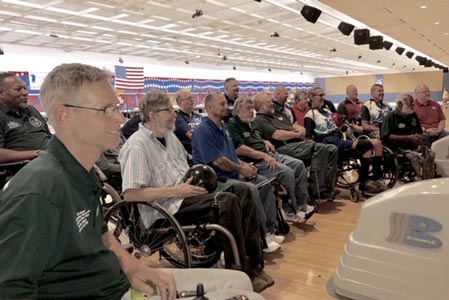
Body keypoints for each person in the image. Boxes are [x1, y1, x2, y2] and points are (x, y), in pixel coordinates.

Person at [0, 63, 264, 300]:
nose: (120, 118)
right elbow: (11, 288)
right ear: (63, 116)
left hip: (119, 282)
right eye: (107, 109)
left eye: (117, 107)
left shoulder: (83, 172)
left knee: (240, 281)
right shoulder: (37, 191)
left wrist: (131, 264)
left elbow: (102, 233)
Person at [119, 90, 272, 293]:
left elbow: (189, 164)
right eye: (169, 110)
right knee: (225, 201)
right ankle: (237, 270)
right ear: (153, 114)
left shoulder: (170, 137)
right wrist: (177, 190)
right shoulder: (137, 146)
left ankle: (254, 265)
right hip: (165, 210)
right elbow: (130, 194)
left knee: (243, 190)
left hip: (188, 196)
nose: (175, 114)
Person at [192, 93, 283, 253]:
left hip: (233, 174)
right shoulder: (203, 130)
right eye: (222, 104)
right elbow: (219, 161)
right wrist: (242, 169)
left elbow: (231, 155)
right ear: (210, 108)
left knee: (264, 183)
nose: (227, 107)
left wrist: (245, 165)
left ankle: (269, 231)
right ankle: (261, 239)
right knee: (251, 189)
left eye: (226, 104)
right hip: (217, 180)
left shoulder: (223, 128)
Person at [228, 96, 315, 223]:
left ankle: (302, 204)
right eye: (247, 108)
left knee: (298, 165)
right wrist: (264, 156)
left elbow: (254, 138)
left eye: (252, 108)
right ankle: (291, 211)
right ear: (237, 111)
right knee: (287, 173)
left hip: (270, 154)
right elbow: (239, 149)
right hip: (257, 160)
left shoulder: (252, 122)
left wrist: (265, 141)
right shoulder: (233, 125)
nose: (251, 111)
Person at [253, 92, 339, 200]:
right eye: (269, 102)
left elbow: (297, 126)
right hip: (283, 148)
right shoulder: (260, 120)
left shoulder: (278, 115)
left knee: (332, 149)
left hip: (297, 144)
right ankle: (317, 190)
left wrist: (296, 132)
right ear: (261, 105)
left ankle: (328, 187)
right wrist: (296, 133)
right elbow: (278, 135)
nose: (272, 104)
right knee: (320, 147)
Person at [305, 87, 387, 194]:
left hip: (338, 136)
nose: (323, 98)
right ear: (311, 97)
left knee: (367, 147)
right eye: (320, 95)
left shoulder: (327, 111)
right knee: (366, 144)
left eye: (323, 95)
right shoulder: (310, 115)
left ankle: (364, 182)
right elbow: (309, 137)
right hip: (327, 141)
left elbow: (340, 124)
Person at [0, 72, 51, 163]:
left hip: (50, 160)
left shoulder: (31, 110)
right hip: (24, 168)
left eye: (25, 88)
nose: (25, 93)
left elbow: (48, 136)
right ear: (1, 93)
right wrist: (36, 153)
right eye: (18, 89)